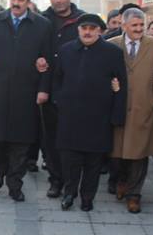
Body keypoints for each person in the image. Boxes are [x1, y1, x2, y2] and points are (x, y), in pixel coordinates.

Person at [0, 0, 53, 201]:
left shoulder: (42, 25)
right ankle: (0, 169)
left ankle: (15, 183)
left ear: (28, 2)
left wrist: (43, 89)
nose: (15, 3)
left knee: (21, 143)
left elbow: (47, 60)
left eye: (20, 0)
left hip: (26, 93)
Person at [53, 13, 127, 211]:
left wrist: (117, 115)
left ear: (100, 31)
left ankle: (88, 197)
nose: (87, 32)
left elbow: (122, 85)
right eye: (84, 28)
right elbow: (57, 79)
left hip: (98, 116)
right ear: (78, 30)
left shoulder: (112, 52)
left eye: (92, 29)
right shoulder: (66, 50)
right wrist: (59, 100)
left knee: (93, 162)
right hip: (70, 116)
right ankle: (69, 193)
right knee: (70, 159)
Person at [108, 7, 153, 213]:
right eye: (134, 25)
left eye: (141, 25)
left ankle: (135, 194)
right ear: (123, 26)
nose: (139, 29)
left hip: (144, 109)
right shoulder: (112, 45)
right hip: (118, 109)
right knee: (118, 154)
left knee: (139, 154)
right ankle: (121, 182)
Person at [40, 0, 85, 198]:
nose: (58, 0)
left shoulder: (83, 20)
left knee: (74, 140)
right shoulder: (42, 20)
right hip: (49, 88)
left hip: (76, 90)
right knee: (52, 139)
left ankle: (72, 181)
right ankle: (55, 179)